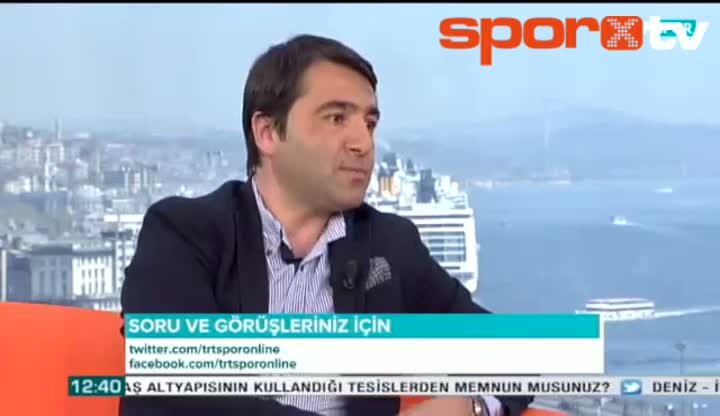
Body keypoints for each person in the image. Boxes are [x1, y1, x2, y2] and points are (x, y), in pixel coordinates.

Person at [119, 34, 533, 416]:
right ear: (267, 133)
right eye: (337, 119)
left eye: (369, 124)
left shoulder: (389, 246)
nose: (363, 143)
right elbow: (189, 396)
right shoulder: (183, 233)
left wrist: (474, 406)